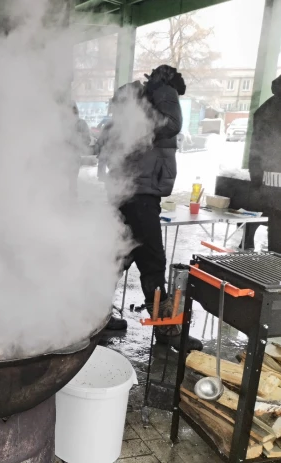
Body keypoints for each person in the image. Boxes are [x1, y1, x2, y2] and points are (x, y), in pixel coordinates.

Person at [96, 65, 202, 351]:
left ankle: (92, 319)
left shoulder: (131, 103)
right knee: (152, 261)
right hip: (139, 194)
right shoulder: (157, 95)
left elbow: (104, 145)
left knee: (116, 257)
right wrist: (161, 94)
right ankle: (167, 331)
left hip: (126, 191)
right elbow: (172, 123)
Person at [249, 75, 281, 253]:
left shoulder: (264, 109)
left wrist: (256, 181)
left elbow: (255, 149)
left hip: (270, 185)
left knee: (276, 242)